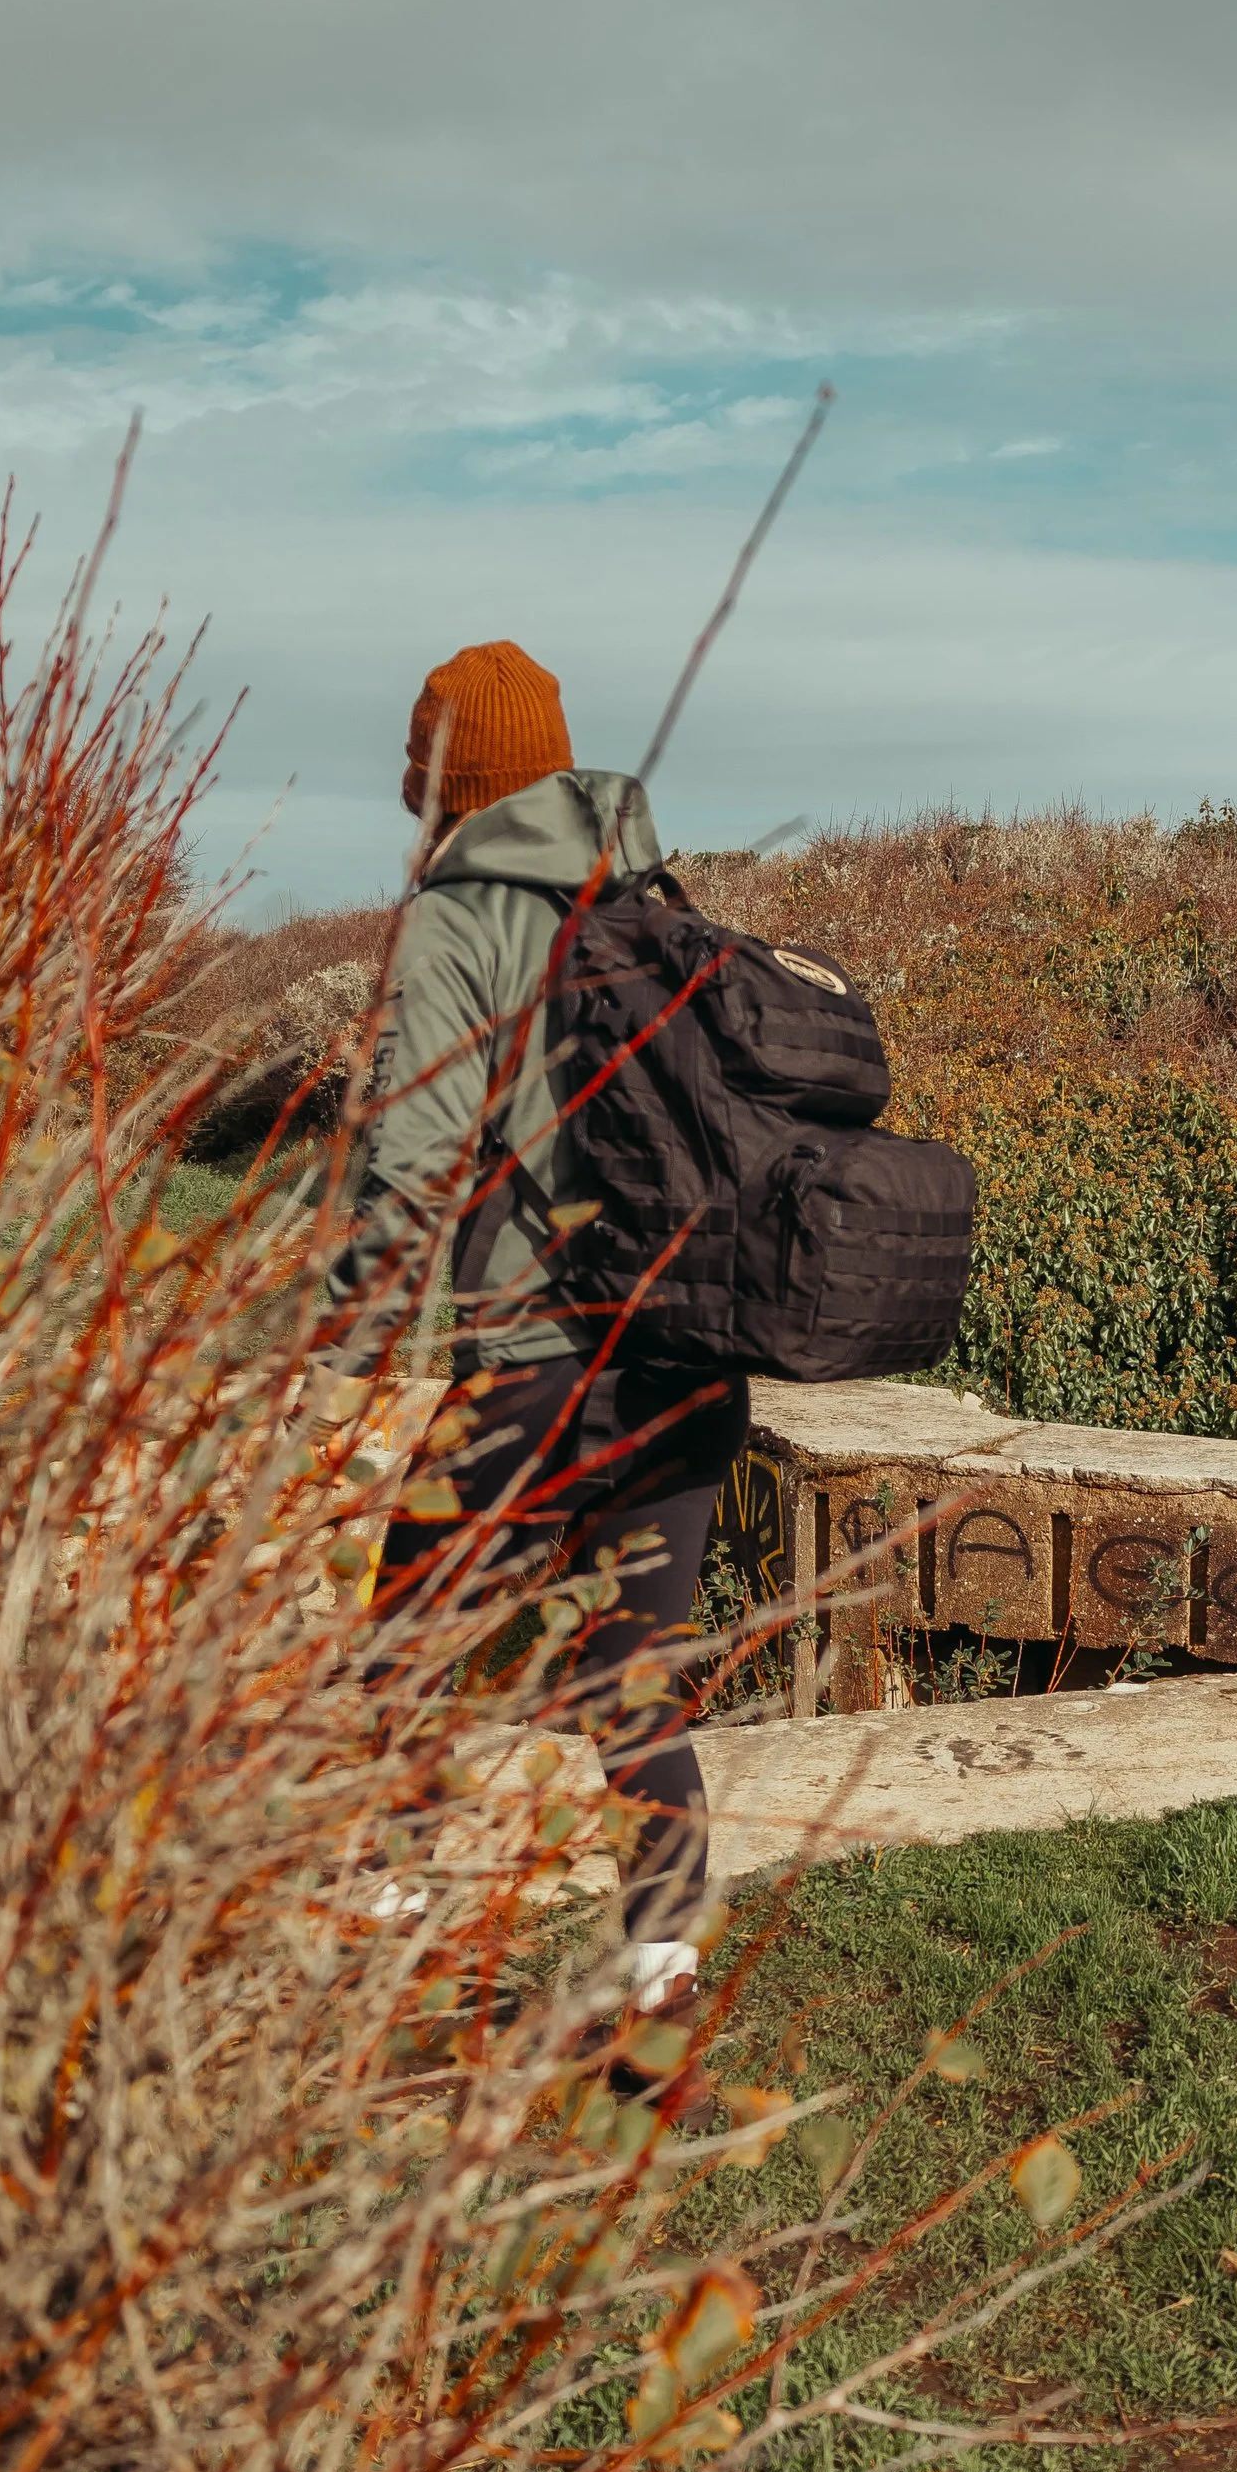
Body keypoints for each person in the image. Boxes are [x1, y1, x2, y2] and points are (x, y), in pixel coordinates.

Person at [317, 638, 746, 2010]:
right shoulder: (655, 893)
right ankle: (661, 1970)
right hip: (686, 1349)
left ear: (451, 782)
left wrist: (343, 1340)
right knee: (633, 1673)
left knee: (408, 1638)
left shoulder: (461, 918)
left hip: (534, 1362)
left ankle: (386, 1929)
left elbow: (416, 1150)